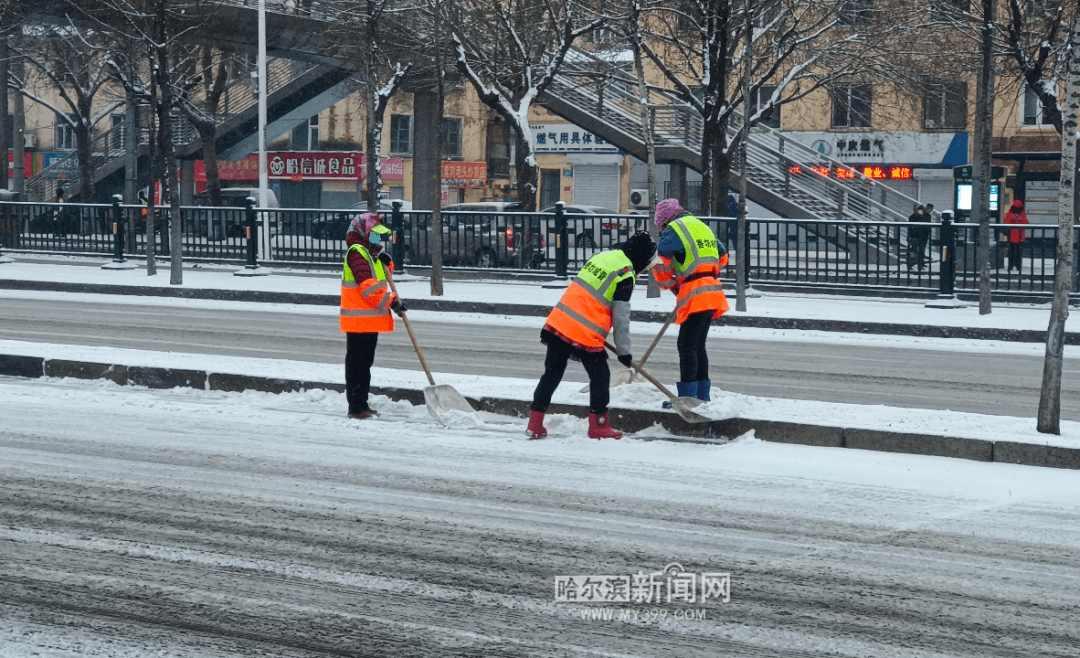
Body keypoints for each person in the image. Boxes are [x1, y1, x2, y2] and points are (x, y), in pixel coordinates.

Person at [526, 231, 657, 440]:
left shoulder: (603, 257)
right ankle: (599, 425)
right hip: (584, 332)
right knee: (600, 377)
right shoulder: (625, 273)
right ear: (642, 258)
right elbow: (621, 317)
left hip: (560, 321)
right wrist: (624, 352)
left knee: (552, 374)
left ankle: (535, 423)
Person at [651, 198, 729, 405]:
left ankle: (687, 399)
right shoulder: (700, 225)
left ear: (665, 221)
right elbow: (723, 257)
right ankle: (702, 395)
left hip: (695, 292)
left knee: (686, 346)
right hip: (712, 291)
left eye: (661, 226)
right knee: (697, 345)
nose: (662, 230)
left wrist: (671, 283)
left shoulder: (673, 229)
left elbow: (662, 264)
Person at [341, 212, 407, 419]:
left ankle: (361, 404)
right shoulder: (357, 253)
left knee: (364, 365)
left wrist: (386, 261)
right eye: (376, 234)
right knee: (358, 366)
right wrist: (391, 301)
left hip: (368, 320)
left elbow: (379, 276)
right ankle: (357, 407)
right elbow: (368, 287)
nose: (380, 239)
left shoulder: (370, 253)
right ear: (364, 232)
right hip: (358, 320)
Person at [1003, 199, 1030, 272]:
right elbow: (1026, 223)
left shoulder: (1009, 214)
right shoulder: (1022, 214)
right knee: (1018, 252)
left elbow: (1006, 222)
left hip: (1012, 236)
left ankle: (1011, 266)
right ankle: (1017, 266)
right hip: (1019, 236)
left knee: (1011, 252)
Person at [907, 203, 929, 270]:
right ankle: (911, 264)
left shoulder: (923, 217)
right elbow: (911, 228)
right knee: (913, 251)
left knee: (921, 251)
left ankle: (921, 263)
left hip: (922, 236)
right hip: (914, 236)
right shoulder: (912, 217)